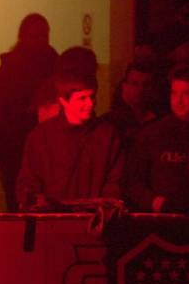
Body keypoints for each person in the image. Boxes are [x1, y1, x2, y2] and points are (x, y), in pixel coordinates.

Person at [16, 70, 124, 210]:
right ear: (63, 101)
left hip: (95, 222)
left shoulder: (108, 134)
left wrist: (105, 207)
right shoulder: (40, 136)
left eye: (92, 97)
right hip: (52, 222)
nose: (90, 104)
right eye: (82, 98)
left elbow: (115, 181)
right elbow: (28, 180)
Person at [0, 14, 58, 211]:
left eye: (43, 36)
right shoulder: (7, 73)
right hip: (15, 148)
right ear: (23, 37)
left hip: (44, 149)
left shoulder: (55, 68)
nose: (40, 41)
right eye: (35, 36)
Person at [125, 65, 189, 213]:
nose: (179, 101)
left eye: (186, 94)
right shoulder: (152, 134)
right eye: (174, 93)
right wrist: (154, 201)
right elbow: (132, 182)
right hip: (162, 219)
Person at [106, 62, 160, 148]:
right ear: (125, 86)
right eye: (135, 84)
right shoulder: (110, 122)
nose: (141, 89)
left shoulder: (159, 121)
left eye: (145, 85)